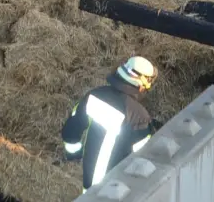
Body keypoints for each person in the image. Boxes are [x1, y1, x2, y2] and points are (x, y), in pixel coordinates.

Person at [61, 56, 157, 189]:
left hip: (89, 187)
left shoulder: (94, 96)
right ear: (141, 85)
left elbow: (70, 132)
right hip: (117, 191)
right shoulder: (139, 117)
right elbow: (142, 161)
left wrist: (74, 156)